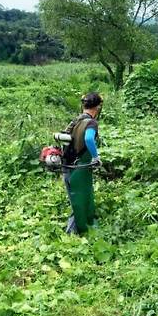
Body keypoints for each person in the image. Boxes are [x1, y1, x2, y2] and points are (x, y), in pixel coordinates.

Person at [61, 92, 102, 235]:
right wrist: (96, 158)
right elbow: (89, 139)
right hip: (78, 167)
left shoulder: (77, 120)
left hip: (68, 165)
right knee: (79, 201)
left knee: (78, 199)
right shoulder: (91, 122)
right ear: (97, 107)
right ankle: (72, 233)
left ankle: (82, 227)